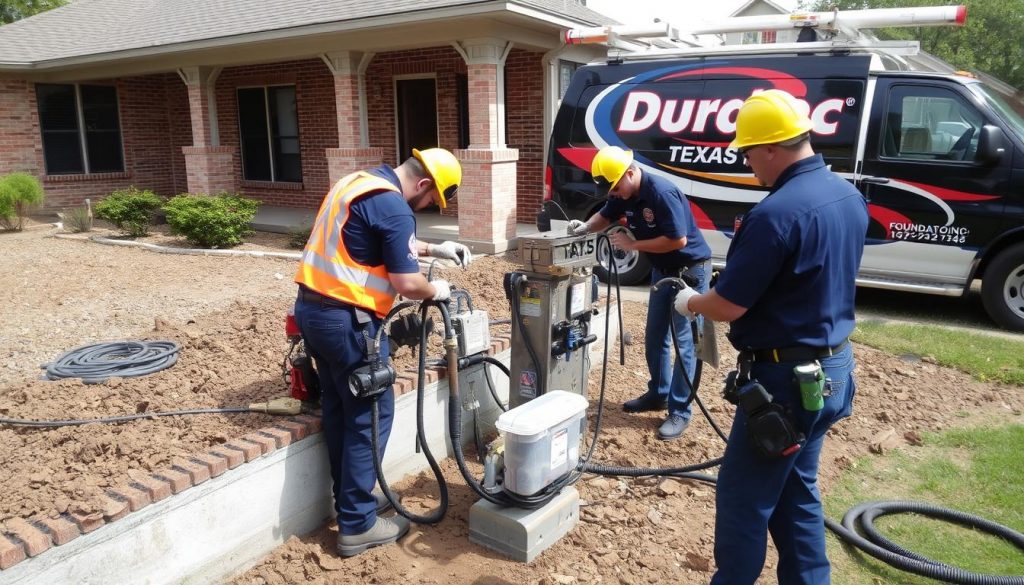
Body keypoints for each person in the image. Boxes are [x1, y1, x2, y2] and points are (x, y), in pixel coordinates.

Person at [674, 89, 868, 584]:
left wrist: (690, 302)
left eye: (747, 153)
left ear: (769, 149)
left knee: (744, 500)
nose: (747, 164)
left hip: (784, 383)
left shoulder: (774, 215)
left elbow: (728, 305)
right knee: (797, 492)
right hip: (832, 371)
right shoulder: (846, 195)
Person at [293, 148, 472, 557]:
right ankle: (357, 524)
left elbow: (371, 239)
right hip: (347, 321)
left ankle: (350, 502)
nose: (426, 207)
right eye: (430, 201)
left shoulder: (357, 183)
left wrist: (431, 249)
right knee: (371, 414)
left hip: (313, 312)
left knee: (341, 408)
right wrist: (435, 289)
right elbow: (407, 283)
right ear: (424, 184)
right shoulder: (395, 206)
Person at [567, 145, 711, 440]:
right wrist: (583, 228)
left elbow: (677, 240)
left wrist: (632, 246)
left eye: (617, 187)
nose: (615, 194)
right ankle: (658, 393)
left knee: (684, 341)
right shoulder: (623, 192)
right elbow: (605, 217)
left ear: (630, 173)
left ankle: (680, 410)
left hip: (689, 270)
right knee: (655, 335)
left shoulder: (661, 193)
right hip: (662, 270)